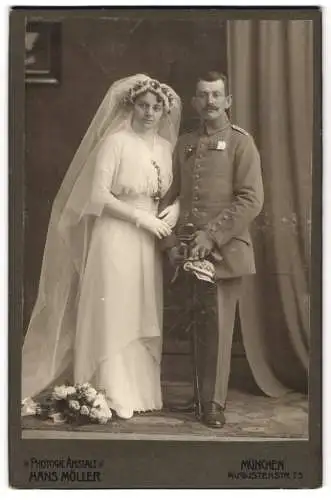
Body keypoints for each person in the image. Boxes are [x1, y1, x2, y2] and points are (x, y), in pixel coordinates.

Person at [21, 74, 182, 420]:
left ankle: (139, 392)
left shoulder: (166, 148)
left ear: (163, 111)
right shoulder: (116, 142)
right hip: (116, 236)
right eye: (143, 106)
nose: (149, 113)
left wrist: (176, 208)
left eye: (156, 107)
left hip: (148, 242)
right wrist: (142, 219)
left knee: (141, 308)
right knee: (115, 309)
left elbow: (170, 190)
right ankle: (107, 390)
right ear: (131, 106)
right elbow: (97, 196)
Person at [159, 71, 264, 428]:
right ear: (195, 102)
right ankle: (199, 397)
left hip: (224, 250)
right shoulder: (186, 142)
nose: (210, 102)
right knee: (198, 324)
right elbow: (172, 198)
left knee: (218, 327)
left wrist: (212, 236)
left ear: (228, 101)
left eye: (216, 95)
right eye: (203, 96)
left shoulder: (241, 143)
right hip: (189, 251)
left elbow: (251, 200)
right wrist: (172, 242)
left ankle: (213, 403)